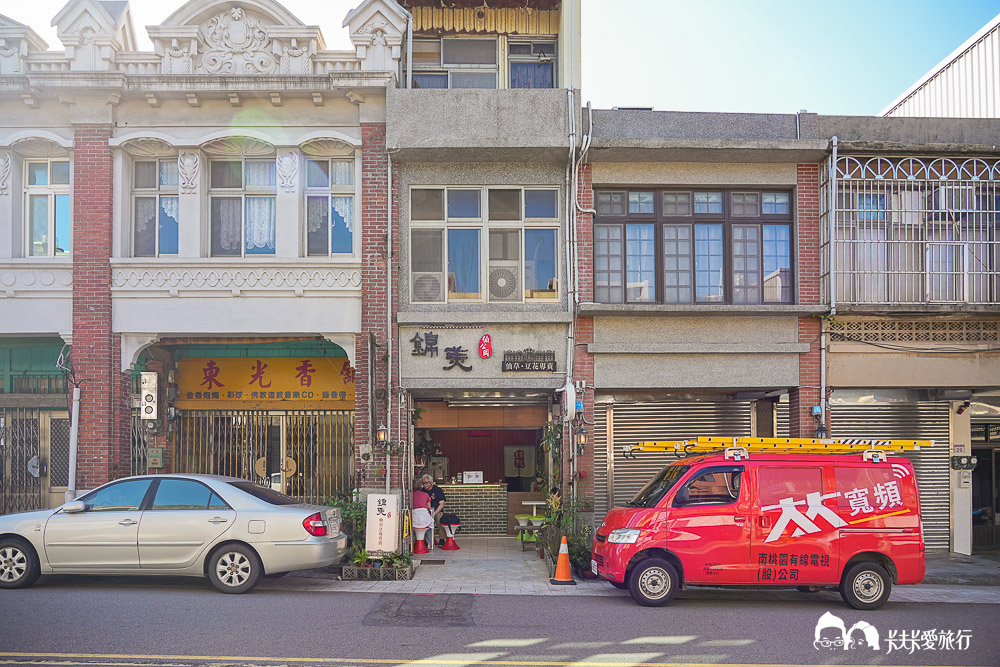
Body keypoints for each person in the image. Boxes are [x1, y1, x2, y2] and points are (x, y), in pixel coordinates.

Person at [420, 474, 446, 547]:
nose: (425, 485)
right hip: (426, 511)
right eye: (423, 483)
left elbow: (441, 504)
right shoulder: (422, 491)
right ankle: (425, 540)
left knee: (439, 519)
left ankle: (441, 539)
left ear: (431, 482)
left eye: (426, 483)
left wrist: (434, 513)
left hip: (437, 510)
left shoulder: (437, 490)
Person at [411, 483, 434, 549]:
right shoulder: (425, 494)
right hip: (424, 518)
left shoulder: (410, 495)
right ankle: (430, 543)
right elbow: (429, 507)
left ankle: (414, 542)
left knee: (413, 529)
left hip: (414, 518)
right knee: (430, 526)